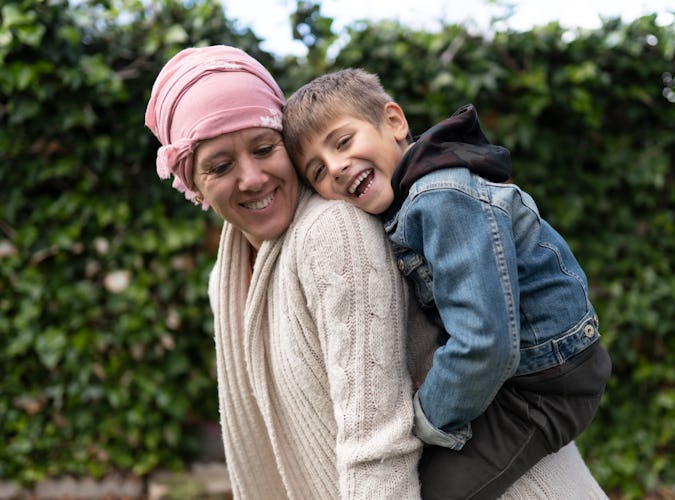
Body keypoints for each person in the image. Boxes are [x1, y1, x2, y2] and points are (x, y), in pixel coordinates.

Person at [145, 45, 609, 500]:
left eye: (264, 148)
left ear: (394, 120)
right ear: (192, 185)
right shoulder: (231, 275)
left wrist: (424, 420)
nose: (251, 178)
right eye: (220, 166)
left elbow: (384, 431)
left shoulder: (345, 226)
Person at [282, 68, 612, 497]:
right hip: (531, 374)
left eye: (343, 142)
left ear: (395, 122)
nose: (337, 167)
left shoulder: (440, 198)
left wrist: (422, 420)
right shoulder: (411, 197)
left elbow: (483, 342)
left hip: (546, 386)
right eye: (317, 172)